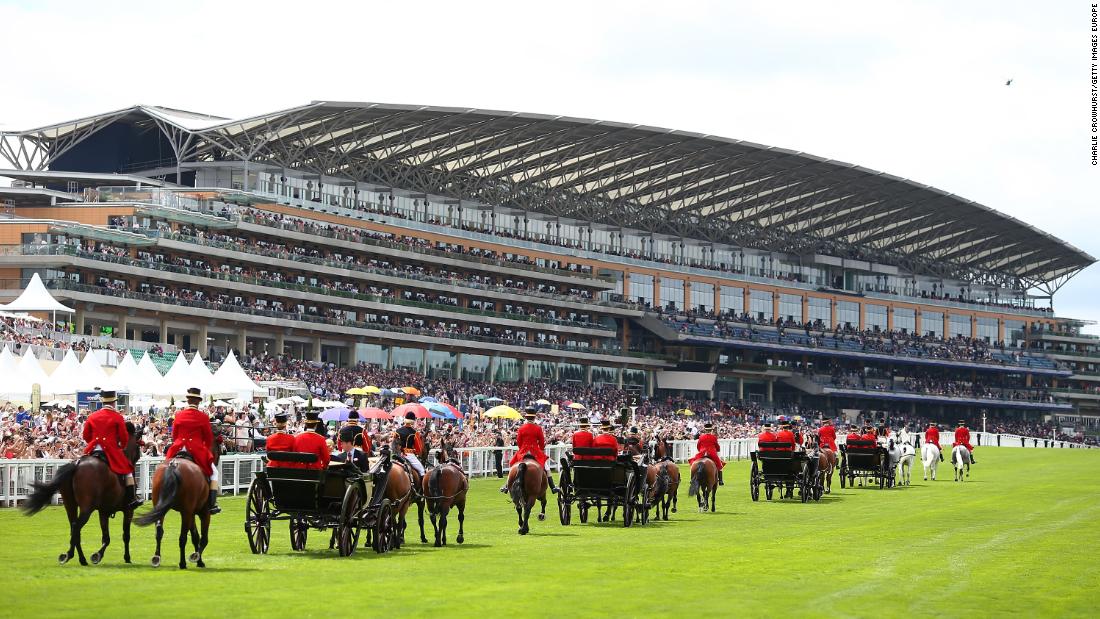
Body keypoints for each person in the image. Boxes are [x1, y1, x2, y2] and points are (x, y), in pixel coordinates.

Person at [81, 390, 142, 510]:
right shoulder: (117, 416)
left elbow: (86, 436)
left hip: (93, 449)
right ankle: (132, 499)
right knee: (128, 469)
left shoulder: (92, 416)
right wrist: (121, 446)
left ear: (103, 402)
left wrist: (93, 443)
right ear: (114, 403)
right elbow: (124, 438)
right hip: (110, 450)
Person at [163, 388, 220, 514]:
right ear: (198, 401)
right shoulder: (203, 417)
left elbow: (174, 435)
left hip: (177, 448)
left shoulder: (178, 415)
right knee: (214, 472)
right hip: (196, 449)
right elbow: (208, 438)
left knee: (165, 469)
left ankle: (163, 495)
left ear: (188, 400)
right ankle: (212, 504)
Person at [504, 406, 557, 493]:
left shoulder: (521, 428)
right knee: (546, 468)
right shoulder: (538, 428)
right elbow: (541, 443)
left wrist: (522, 449)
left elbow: (519, 442)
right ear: (534, 417)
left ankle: (506, 486)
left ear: (526, 417)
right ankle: (553, 487)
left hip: (523, 451)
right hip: (535, 452)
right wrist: (541, 449)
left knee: (512, 465)